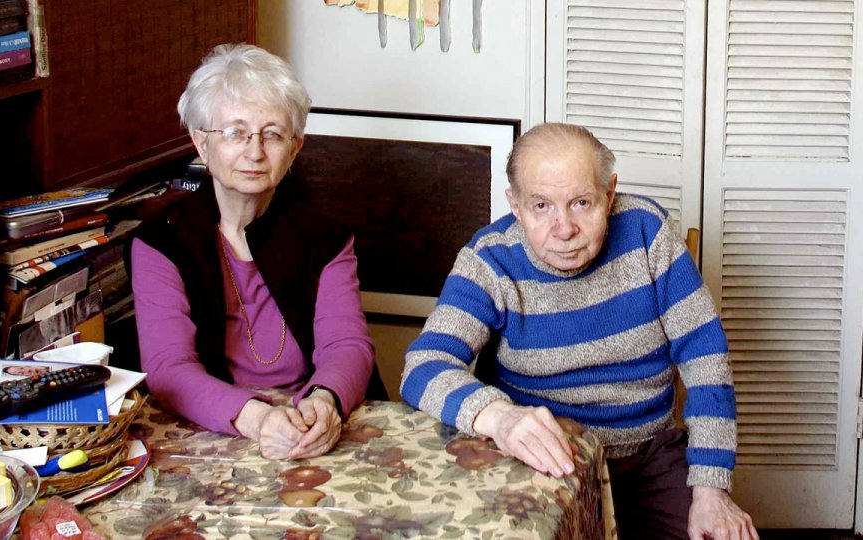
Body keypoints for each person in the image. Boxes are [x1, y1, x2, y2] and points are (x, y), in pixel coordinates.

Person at [400, 123, 758, 540]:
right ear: (515, 205)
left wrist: (712, 489)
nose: (564, 228)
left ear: (609, 193)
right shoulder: (489, 258)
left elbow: (705, 356)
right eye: (541, 206)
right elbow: (423, 366)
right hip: (543, 460)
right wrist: (501, 418)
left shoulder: (647, 232)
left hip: (646, 456)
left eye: (581, 203)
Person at [129, 44, 375, 460]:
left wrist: (324, 401)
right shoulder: (160, 242)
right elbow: (169, 369)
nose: (255, 152)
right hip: (213, 432)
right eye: (234, 132)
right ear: (201, 143)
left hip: (309, 423)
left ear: (294, 149)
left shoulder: (326, 238)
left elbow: (347, 345)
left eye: (273, 134)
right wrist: (258, 419)